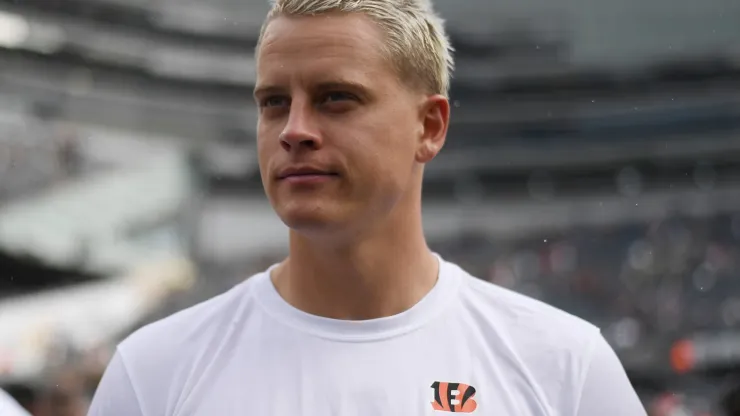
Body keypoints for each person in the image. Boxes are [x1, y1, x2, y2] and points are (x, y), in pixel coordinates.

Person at [88, 0, 647, 414]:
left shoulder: (564, 368)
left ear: (429, 126)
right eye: (274, 103)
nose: (295, 131)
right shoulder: (154, 375)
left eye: (336, 98)